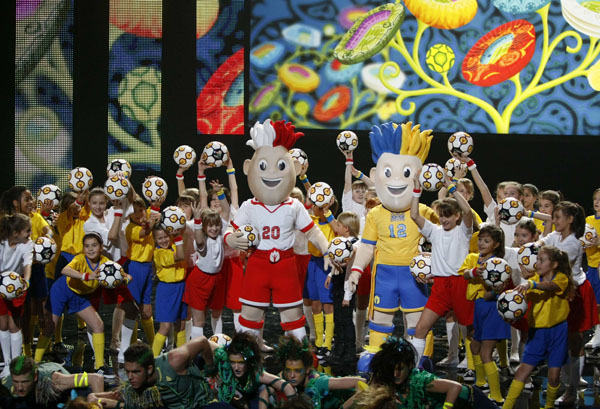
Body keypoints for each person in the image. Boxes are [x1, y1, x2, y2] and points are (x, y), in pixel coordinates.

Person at [225, 119, 330, 340]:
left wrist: (328, 250)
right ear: (248, 168)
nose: (272, 173)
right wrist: (231, 240)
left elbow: (312, 231)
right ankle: (246, 361)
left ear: (296, 169)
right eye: (262, 166)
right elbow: (230, 229)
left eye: (281, 166)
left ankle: (299, 361)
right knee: (250, 315)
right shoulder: (249, 206)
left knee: (293, 316)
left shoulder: (294, 206)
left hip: (286, 264)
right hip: (257, 264)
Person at [349, 122, 438, 354]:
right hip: (385, 274)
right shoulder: (375, 214)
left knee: (417, 324)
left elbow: (442, 239)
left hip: (415, 275)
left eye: (406, 173)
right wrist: (356, 272)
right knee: (380, 321)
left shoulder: (425, 212)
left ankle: (420, 362)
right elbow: (367, 246)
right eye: (388, 172)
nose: (397, 180)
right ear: (375, 175)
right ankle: (375, 359)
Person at [410, 170, 474, 367]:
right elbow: (413, 214)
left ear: (456, 216)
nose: (444, 219)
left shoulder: (463, 232)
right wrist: (416, 189)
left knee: (469, 331)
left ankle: (473, 367)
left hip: (460, 283)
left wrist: (452, 186)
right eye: (442, 216)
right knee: (421, 328)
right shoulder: (434, 231)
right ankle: (415, 369)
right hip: (440, 286)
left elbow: (468, 212)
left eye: (448, 216)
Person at [46, 232, 132, 377]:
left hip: (78, 296)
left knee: (98, 325)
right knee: (50, 328)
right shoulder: (79, 259)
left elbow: (124, 275)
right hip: (61, 290)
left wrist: (125, 279)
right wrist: (87, 275)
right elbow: (64, 270)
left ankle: (99, 366)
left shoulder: (105, 262)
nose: (90, 249)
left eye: (94, 245)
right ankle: (35, 362)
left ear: (101, 247)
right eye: (87, 246)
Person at [536, 201, 594, 405]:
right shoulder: (555, 236)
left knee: (574, 339)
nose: (554, 220)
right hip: (557, 291)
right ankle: (561, 381)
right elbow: (540, 243)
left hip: (574, 292)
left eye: (558, 217)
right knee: (560, 338)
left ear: (570, 219)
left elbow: (556, 268)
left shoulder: (573, 244)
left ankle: (572, 388)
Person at [502, 246, 574, 409]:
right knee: (522, 372)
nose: (537, 263)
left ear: (554, 264)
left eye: (542, 260)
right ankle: (506, 407)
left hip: (558, 332)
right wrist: (511, 314)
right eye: (537, 259)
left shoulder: (561, 278)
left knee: (554, 377)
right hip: (537, 334)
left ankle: (548, 406)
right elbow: (523, 304)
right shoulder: (533, 280)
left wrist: (532, 284)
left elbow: (551, 287)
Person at [357, 336, 497, 409]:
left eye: (400, 369)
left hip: (473, 403)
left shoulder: (421, 380)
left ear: (410, 366)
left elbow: (455, 387)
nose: (395, 374)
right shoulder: (388, 379)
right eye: (392, 370)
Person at [88, 339, 230, 409]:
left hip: (204, 402)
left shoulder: (174, 361)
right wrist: (93, 397)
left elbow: (203, 342)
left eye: (136, 372)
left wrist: (211, 367)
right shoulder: (136, 384)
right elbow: (116, 396)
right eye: (128, 371)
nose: (130, 377)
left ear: (149, 369)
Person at [459, 224, 510, 404]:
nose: (481, 243)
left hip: (491, 310)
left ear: (495, 244)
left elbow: (501, 287)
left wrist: (493, 292)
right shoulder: (474, 258)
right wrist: (475, 272)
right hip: (478, 307)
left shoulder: (498, 264)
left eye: (486, 241)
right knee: (474, 346)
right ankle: (480, 382)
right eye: (480, 239)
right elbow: (464, 274)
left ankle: (496, 394)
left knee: (486, 352)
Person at [262, 335, 364, 408]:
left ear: (307, 369)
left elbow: (360, 383)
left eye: (297, 371)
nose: (292, 375)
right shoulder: (284, 375)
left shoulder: (320, 382)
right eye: (288, 370)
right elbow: (264, 392)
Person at [212, 332, 295, 408]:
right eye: (233, 362)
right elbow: (204, 342)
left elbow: (286, 386)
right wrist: (210, 367)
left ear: (249, 362)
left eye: (241, 363)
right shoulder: (225, 363)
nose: (236, 367)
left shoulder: (257, 374)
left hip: (255, 396)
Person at [304, 195, 338, 364]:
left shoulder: (333, 224)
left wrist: (327, 210)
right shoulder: (311, 220)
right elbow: (310, 197)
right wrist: (304, 179)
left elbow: (338, 230)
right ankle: (318, 341)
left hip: (327, 263)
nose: (314, 207)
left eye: (319, 206)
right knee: (315, 303)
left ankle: (328, 342)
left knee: (328, 304)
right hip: (313, 264)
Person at [183, 204, 227, 339]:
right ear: (203, 227)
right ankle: (196, 351)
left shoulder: (220, 236)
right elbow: (198, 240)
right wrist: (197, 220)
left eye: (216, 225)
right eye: (209, 226)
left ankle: (211, 346)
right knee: (199, 320)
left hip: (216, 279)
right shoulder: (202, 241)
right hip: (200, 280)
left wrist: (220, 193)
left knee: (211, 314)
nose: (214, 228)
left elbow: (226, 210)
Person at [126, 194, 162, 345]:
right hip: (135, 268)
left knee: (147, 311)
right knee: (133, 310)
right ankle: (132, 345)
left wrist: (153, 192)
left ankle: (154, 348)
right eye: (134, 211)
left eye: (141, 210)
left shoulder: (146, 216)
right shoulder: (130, 228)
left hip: (147, 268)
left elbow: (151, 210)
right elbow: (145, 232)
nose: (139, 214)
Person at [0, 356, 104, 408]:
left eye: (24, 382)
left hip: (68, 394)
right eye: (16, 382)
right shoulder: (6, 386)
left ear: (35, 377)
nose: (20, 387)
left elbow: (96, 379)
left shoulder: (56, 381)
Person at [0, 214, 33, 377]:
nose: (30, 234)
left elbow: (27, 264)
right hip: (1, 285)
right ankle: (6, 364)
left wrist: (26, 282)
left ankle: (16, 362)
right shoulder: (2, 243)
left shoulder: (27, 244)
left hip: (17, 288)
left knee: (14, 325)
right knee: (3, 324)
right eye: (27, 230)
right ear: (15, 233)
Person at [151, 224, 187, 356]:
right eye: (160, 238)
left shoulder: (174, 246)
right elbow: (180, 257)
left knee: (181, 324)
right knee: (165, 327)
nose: (164, 240)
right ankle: (153, 358)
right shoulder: (159, 253)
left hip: (181, 286)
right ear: (155, 240)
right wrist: (178, 238)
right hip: (167, 290)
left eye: (166, 236)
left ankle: (182, 356)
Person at [585, 188, 600, 352]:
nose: (597, 202)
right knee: (594, 303)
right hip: (591, 266)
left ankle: (598, 334)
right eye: (595, 199)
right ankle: (597, 332)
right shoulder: (589, 220)